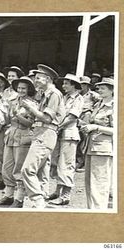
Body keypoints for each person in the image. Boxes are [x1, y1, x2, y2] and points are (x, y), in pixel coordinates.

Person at [20, 64, 65, 208]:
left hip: (46, 133)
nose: (36, 81)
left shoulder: (54, 94)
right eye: (36, 78)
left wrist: (30, 108)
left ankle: (37, 200)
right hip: (40, 133)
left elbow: (47, 118)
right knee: (39, 170)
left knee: (27, 169)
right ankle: (38, 200)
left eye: (39, 78)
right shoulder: (45, 94)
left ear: (48, 79)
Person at [0, 76, 37, 207]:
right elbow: (8, 120)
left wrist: (18, 115)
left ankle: (19, 199)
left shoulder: (32, 104)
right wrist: (2, 114)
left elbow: (30, 123)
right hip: (11, 136)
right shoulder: (12, 101)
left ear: (29, 89)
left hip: (23, 137)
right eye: (19, 88)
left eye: (24, 88)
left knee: (19, 168)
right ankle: (8, 195)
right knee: (7, 167)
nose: (21, 90)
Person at [47, 74, 84, 206]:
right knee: (56, 162)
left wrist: (59, 125)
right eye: (63, 84)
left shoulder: (78, 99)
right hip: (59, 134)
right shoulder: (64, 97)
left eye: (67, 84)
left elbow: (72, 117)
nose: (63, 86)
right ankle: (57, 191)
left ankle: (65, 195)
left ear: (74, 85)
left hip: (69, 134)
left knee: (66, 164)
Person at [80, 77, 114, 209]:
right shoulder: (98, 104)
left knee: (99, 183)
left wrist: (96, 128)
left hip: (103, 149)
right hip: (91, 146)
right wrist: (85, 125)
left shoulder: (114, 106)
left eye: (103, 88)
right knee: (89, 183)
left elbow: (117, 130)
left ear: (112, 91)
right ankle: (92, 211)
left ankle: (99, 212)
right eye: (99, 87)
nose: (99, 90)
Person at [76, 76, 100, 172]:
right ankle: (79, 160)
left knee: (85, 138)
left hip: (86, 115)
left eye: (83, 84)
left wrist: (93, 112)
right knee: (78, 138)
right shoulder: (77, 94)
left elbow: (100, 103)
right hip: (77, 116)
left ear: (87, 85)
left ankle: (84, 162)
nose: (81, 86)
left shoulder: (93, 95)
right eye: (80, 84)